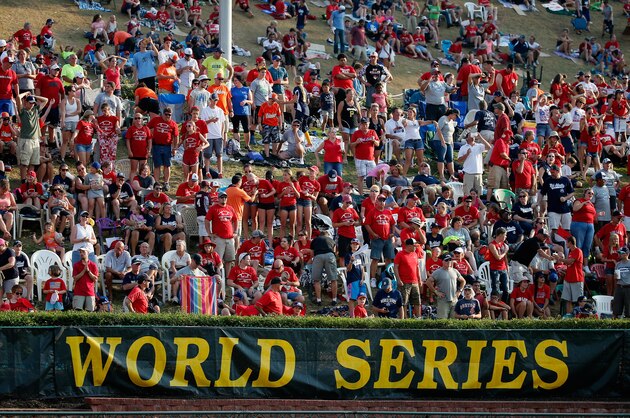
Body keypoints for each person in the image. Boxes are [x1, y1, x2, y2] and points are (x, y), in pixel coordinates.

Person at [364, 193, 395, 288]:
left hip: (387, 238)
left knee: (389, 258)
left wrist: (392, 232)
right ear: (376, 202)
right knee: (375, 259)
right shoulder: (372, 212)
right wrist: (372, 233)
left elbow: (393, 223)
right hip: (377, 239)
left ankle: (388, 276)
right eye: (380, 200)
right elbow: (366, 224)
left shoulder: (388, 212)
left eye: (383, 200)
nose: (382, 202)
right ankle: (373, 278)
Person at [16, 93, 48, 180]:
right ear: (25, 102)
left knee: (33, 163)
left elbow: (46, 100)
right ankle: (23, 181)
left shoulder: (35, 110)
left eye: (33, 103)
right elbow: (18, 97)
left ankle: (29, 180)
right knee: (24, 164)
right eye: (30, 103)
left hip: (35, 140)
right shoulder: (22, 111)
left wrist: (34, 96)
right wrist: (26, 93)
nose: (32, 104)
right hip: (26, 140)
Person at [147, 108, 179, 190]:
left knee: (167, 165)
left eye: (170, 115)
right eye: (166, 114)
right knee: (157, 165)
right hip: (156, 145)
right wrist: (148, 138)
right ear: (162, 114)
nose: (168, 116)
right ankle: (156, 182)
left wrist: (175, 148)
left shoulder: (173, 124)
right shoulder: (156, 120)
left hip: (167, 146)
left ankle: (166, 183)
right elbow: (147, 128)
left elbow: (176, 136)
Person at [428, 253, 466, 319]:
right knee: (442, 322)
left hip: (454, 300)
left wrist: (459, 291)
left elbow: (463, 281)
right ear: (442, 261)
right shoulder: (438, 272)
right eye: (446, 260)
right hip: (443, 300)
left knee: (453, 322)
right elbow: (428, 282)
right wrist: (436, 292)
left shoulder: (455, 271)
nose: (449, 262)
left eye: (450, 260)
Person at [394, 238, 422, 319]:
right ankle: (404, 318)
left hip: (415, 282)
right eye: (414, 246)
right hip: (404, 282)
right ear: (409, 245)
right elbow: (396, 267)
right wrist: (398, 279)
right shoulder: (400, 254)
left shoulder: (415, 254)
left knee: (417, 301)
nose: (415, 247)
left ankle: (418, 318)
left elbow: (417, 268)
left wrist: (419, 280)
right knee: (404, 302)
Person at [555, 236, 584, 314]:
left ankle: (579, 317)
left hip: (576, 279)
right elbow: (570, 265)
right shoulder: (571, 252)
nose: (566, 244)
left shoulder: (578, 251)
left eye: (567, 242)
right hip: (568, 279)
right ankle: (568, 317)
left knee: (578, 301)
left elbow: (570, 262)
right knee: (568, 300)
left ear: (570, 243)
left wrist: (559, 258)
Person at [72, 247, 99, 311]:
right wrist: (84, 271)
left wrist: (88, 271)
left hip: (90, 291)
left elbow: (95, 279)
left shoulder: (93, 265)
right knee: (77, 310)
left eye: (83, 252)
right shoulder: (76, 265)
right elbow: (75, 278)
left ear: (88, 253)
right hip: (79, 291)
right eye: (80, 252)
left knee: (90, 311)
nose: (81, 253)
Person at [613, 247, 630, 319]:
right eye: (619, 253)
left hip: (628, 287)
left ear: (627, 254)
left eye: (622, 253)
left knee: (629, 309)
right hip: (619, 286)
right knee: (616, 309)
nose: (620, 254)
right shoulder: (617, 264)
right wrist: (615, 276)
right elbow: (615, 277)